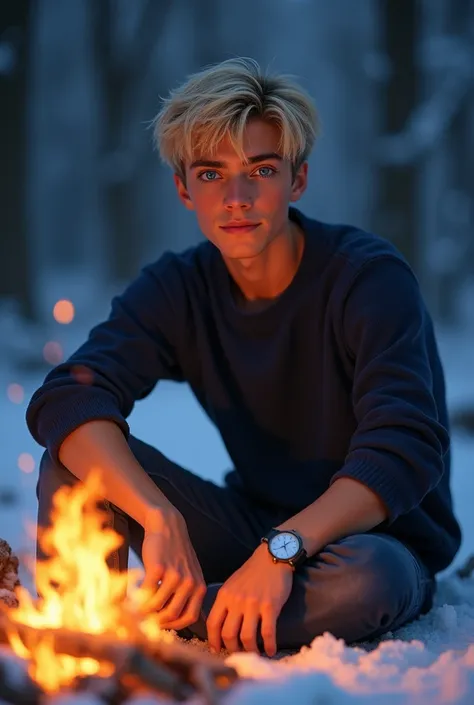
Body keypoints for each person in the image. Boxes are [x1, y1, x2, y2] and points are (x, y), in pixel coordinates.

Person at [27, 57, 462, 658]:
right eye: (211, 175)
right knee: (72, 462)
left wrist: (281, 550)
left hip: (368, 544)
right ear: (184, 189)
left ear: (298, 180)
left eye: (261, 169)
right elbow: (69, 396)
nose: (237, 198)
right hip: (246, 529)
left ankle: (146, 629)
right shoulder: (179, 288)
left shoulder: (368, 279)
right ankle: (97, 620)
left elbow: (405, 450)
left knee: (369, 579)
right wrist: (157, 516)